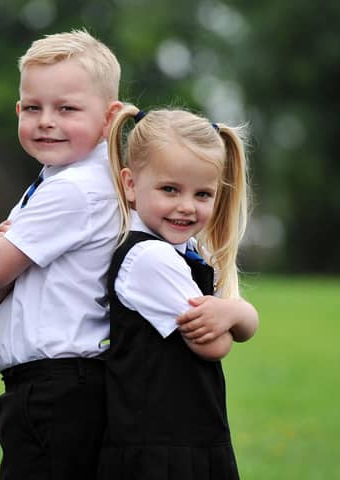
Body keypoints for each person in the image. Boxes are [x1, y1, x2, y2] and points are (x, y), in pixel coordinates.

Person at [0, 29, 123, 480]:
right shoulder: (53, 182)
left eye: (67, 109)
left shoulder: (76, 190)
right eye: (33, 108)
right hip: (48, 388)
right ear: (18, 110)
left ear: (110, 118)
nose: (46, 121)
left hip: (60, 390)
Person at [97, 104, 258, 480]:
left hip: (183, 439)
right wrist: (233, 314)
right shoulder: (150, 259)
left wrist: (233, 314)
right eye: (170, 189)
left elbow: (243, 323)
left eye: (203, 194)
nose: (186, 207)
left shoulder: (185, 254)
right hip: (159, 449)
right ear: (131, 184)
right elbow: (214, 346)